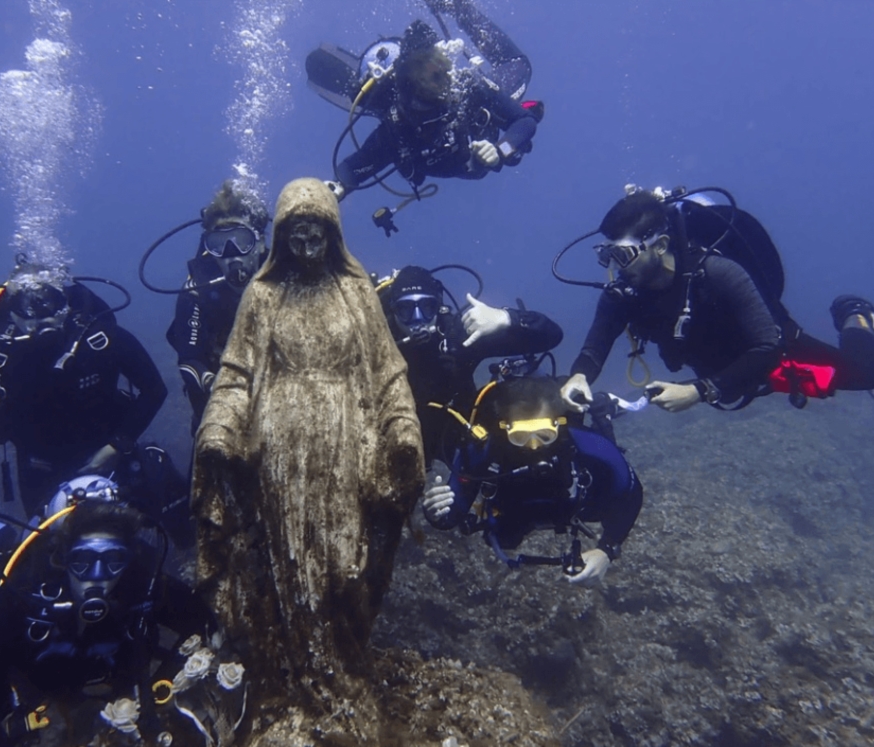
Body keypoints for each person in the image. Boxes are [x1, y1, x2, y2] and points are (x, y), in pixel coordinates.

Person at [192, 178, 423, 698]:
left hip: (346, 443)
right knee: (288, 562)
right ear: (280, 238)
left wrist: (402, 426)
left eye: (315, 232)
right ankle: (298, 672)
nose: (306, 245)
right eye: (295, 235)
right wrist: (220, 427)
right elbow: (236, 373)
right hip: (278, 453)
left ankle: (346, 657)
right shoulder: (263, 294)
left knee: (346, 563)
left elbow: (388, 370)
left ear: (332, 233)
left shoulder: (357, 292)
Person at [0, 489, 244, 747]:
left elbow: (203, 623)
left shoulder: (144, 588)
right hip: (12, 680)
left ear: (129, 562)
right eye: (83, 562)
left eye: (113, 561)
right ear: (62, 561)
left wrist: (161, 689)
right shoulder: (15, 602)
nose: (97, 576)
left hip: (69, 681)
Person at [559, 187, 874, 414]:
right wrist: (579, 376)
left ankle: (854, 313)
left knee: (869, 375)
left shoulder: (717, 273)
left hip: (773, 357)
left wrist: (698, 391)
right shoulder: (623, 294)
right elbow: (594, 347)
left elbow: (767, 345)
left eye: (623, 254)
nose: (615, 266)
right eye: (608, 255)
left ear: (660, 246)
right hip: (724, 373)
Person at [0, 267, 167, 516]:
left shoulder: (102, 340)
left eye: (50, 303)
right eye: (25, 306)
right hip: (40, 468)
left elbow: (154, 390)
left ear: (67, 304)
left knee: (140, 526)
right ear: (11, 312)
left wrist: (116, 446)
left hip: (110, 456)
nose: (40, 316)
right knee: (50, 550)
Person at [422, 375, 643, 586]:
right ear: (504, 428)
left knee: (606, 507)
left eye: (544, 434)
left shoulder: (586, 442)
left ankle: (603, 413)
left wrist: (607, 549)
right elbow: (452, 514)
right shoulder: (485, 449)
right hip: (515, 510)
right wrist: (436, 512)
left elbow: (631, 493)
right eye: (520, 437)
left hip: (573, 508)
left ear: (559, 424)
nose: (534, 446)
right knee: (502, 538)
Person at [328, 9, 540, 197]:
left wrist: (501, 150)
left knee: (516, 65)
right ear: (402, 82)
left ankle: (458, 7)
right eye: (421, 66)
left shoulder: (467, 86)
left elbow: (524, 119)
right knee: (518, 65)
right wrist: (334, 189)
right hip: (463, 162)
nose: (438, 67)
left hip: (486, 126)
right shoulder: (394, 133)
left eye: (432, 60)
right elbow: (352, 169)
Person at [377, 264, 563, 465]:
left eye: (426, 306)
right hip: (388, 443)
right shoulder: (376, 341)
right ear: (392, 310)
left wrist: (507, 318)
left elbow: (552, 336)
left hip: (458, 441)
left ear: (439, 306)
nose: (417, 318)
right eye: (405, 308)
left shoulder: (460, 337)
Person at [165, 181, 271, 434]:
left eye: (241, 240)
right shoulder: (196, 292)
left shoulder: (286, 280)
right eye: (219, 244)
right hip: (220, 413)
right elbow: (189, 358)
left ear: (259, 244)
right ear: (208, 249)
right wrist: (216, 384)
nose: (231, 254)